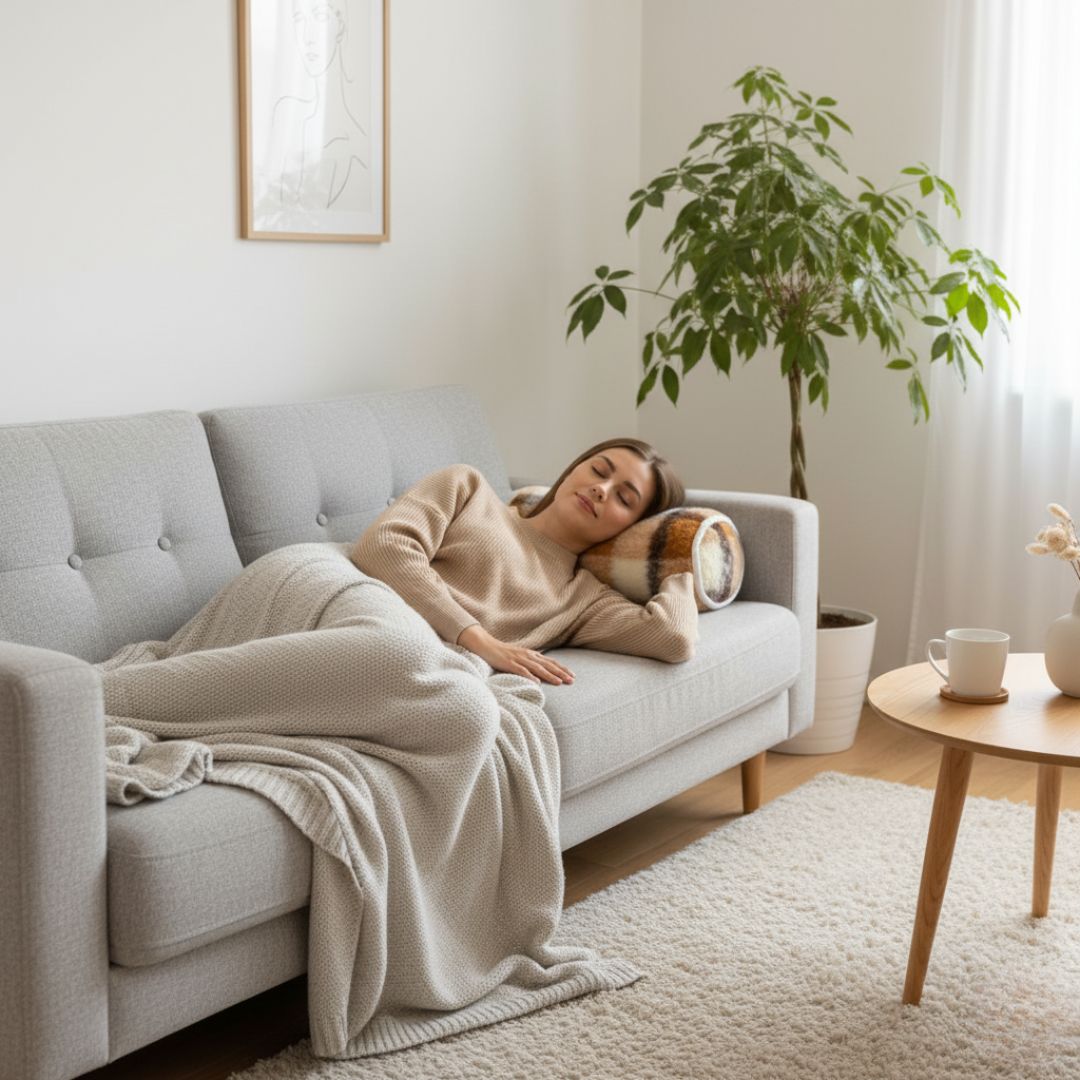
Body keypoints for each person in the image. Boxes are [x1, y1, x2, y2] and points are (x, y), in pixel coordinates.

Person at [350, 438, 700, 686]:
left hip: (420, 668)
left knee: (472, 714)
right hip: (369, 613)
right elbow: (383, 546)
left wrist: (680, 566)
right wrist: (478, 639)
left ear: (632, 528)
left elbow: (673, 637)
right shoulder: (468, 487)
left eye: (623, 498)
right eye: (597, 470)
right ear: (573, 469)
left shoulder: (582, 600)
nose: (601, 489)